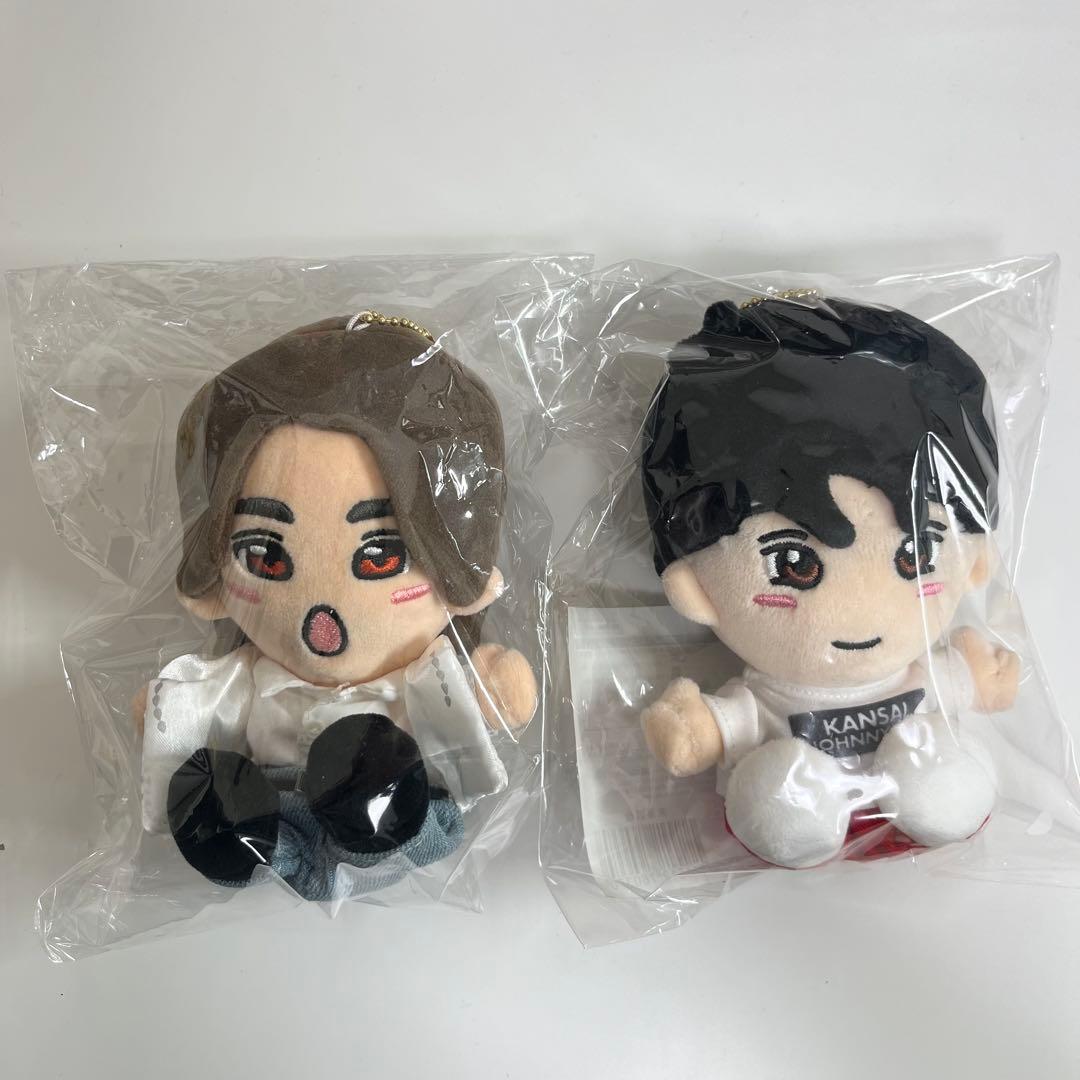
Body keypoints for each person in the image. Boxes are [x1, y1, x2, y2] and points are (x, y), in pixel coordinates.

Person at [138, 313, 536, 899]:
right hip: (277, 806)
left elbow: (486, 703)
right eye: (265, 556)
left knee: (376, 775)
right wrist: (166, 710)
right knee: (213, 794)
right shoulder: (251, 673)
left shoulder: (422, 676)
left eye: (381, 556)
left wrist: (489, 684)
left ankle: (351, 813)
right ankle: (254, 842)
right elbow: (201, 702)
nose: (321, 610)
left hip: (396, 803)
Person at [640, 293, 1019, 869]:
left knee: (941, 778)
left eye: (916, 554)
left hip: (922, 805)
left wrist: (976, 674)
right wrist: (696, 730)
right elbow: (726, 724)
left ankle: (939, 792)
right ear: (696, 589)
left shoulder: (920, 672)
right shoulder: (765, 699)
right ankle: (795, 815)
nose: (863, 611)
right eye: (795, 565)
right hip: (792, 794)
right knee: (781, 790)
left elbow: (966, 681)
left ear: (973, 561)